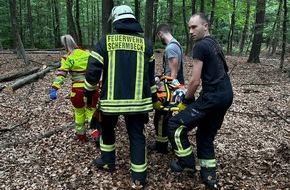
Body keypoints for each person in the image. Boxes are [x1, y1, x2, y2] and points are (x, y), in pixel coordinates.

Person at [83, 5, 160, 188]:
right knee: (137, 135)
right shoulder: (146, 44)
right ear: (133, 20)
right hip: (139, 103)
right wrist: (155, 98)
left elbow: (93, 70)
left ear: (116, 20)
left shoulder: (105, 42)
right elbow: (151, 77)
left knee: (107, 129)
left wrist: (88, 92)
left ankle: (108, 162)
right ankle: (139, 176)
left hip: (111, 102)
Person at [167, 13, 233, 189]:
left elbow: (195, 81)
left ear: (206, 26)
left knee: (175, 125)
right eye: (189, 27)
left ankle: (186, 163)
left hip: (213, 96)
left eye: (194, 27)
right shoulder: (213, 43)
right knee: (205, 134)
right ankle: (209, 177)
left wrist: (186, 100)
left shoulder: (201, 45)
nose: (190, 31)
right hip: (226, 94)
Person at [49, 34, 99, 141]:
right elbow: (96, 69)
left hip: (78, 91)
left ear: (65, 45)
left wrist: (55, 88)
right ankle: (96, 134)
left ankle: (81, 136)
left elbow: (61, 74)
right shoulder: (88, 53)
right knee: (92, 112)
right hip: (92, 89)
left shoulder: (67, 58)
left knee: (79, 113)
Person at [151, 24, 184, 154]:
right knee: (164, 118)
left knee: (160, 117)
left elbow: (173, 74)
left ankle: (162, 146)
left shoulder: (171, 47)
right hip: (172, 86)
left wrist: (165, 88)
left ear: (161, 33)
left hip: (170, 89)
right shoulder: (177, 45)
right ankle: (162, 144)